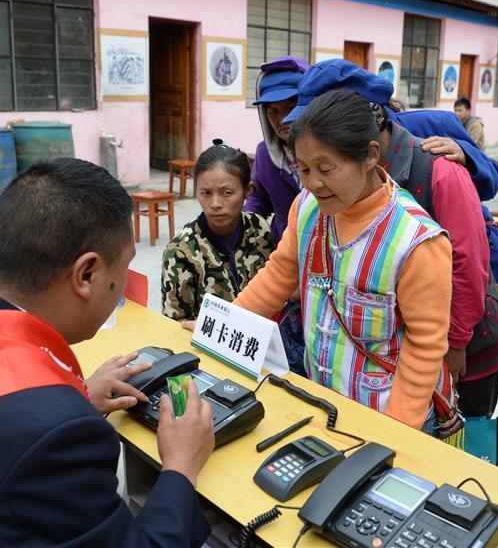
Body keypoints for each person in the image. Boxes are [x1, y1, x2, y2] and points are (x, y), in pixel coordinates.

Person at [0, 158, 215, 546]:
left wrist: (72, 394)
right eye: (124, 266)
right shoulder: (58, 440)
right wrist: (181, 467)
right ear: (86, 275)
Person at [284, 59, 498, 468]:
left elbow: (469, 253)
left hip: (485, 281)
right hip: (426, 296)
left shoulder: (432, 136)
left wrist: (468, 155)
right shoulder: (336, 166)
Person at [234, 90, 457, 435]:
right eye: (304, 169)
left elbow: (425, 346)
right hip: (323, 404)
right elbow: (277, 276)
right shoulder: (306, 208)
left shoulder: (416, 241)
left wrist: (397, 435)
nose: (313, 183)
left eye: (326, 169)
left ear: (370, 155)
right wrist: (220, 324)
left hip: (385, 417)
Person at [245, 55, 311, 374]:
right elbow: (260, 199)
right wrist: (242, 219)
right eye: (272, 111)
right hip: (285, 265)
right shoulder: (265, 154)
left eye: (290, 106)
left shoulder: (331, 152)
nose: (282, 118)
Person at [161, 141, 275, 324]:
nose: (215, 204)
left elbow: (274, 287)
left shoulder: (259, 228)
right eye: (206, 193)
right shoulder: (181, 250)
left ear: (248, 191)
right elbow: (174, 323)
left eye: (227, 192)